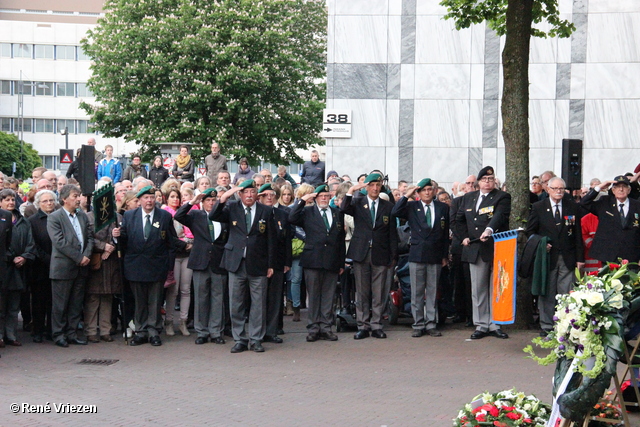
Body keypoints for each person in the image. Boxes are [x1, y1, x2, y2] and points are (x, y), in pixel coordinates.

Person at [209, 179, 276, 353]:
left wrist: (270, 264)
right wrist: (224, 197)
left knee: (258, 304)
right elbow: (213, 215)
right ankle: (239, 339)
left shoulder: (266, 211)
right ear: (240, 194)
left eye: (252, 192)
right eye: (245, 192)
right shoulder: (232, 208)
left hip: (258, 263)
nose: (249, 195)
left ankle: (256, 339)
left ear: (257, 194)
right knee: (236, 302)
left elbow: (271, 239)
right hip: (235, 262)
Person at [112, 186, 181, 347]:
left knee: (155, 301)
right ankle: (140, 331)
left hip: (157, 265)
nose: (149, 201)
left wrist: (170, 263)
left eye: (151, 198)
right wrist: (116, 236)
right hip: (135, 266)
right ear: (140, 200)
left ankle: (153, 331)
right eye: (145, 198)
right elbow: (124, 238)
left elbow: (171, 241)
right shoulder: (130, 215)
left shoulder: (163, 216)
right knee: (139, 301)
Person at [455, 166, 511, 340]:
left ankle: (495, 324)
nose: (488, 182)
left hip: (496, 247)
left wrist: (489, 230)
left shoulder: (502, 196)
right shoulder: (468, 198)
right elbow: (458, 219)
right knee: (478, 288)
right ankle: (481, 324)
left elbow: (499, 216)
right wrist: (463, 237)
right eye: (485, 179)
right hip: (474, 247)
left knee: (496, 288)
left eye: (491, 179)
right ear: (478, 182)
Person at [341, 173, 397, 340]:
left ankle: (377, 325)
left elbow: (392, 232)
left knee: (379, 292)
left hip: (380, 252)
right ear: (366, 187)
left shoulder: (387, 206)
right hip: (361, 252)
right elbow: (344, 208)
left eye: (377, 185)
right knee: (362, 292)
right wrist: (351, 190)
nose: (374, 188)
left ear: (381, 187)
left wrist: (393, 255)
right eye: (371, 185)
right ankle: (363, 325)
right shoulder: (358, 202)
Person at [526, 177, 584, 336]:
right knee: (547, 293)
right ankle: (546, 326)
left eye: (561, 188)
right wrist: (541, 243)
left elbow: (578, 234)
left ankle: (564, 325)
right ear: (547, 189)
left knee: (566, 294)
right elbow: (530, 232)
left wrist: (580, 258)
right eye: (555, 188)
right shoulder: (538, 207)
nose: (559, 191)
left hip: (568, 256)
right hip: (547, 258)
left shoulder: (572, 206)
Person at [392, 178, 449, 337]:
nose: (427, 192)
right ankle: (418, 324)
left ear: (434, 191)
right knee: (416, 291)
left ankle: (431, 323)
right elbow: (395, 212)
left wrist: (444, 255)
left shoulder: (442, 208)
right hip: (417, 254)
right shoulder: (412, 206)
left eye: (430, 189)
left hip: (435, 254)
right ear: (418, 193)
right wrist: (406, 195)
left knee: (432, 291)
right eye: (423, 190)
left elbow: (445, 234)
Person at [289, 184, 345, 342]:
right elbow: (292, 217)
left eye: (327, 195)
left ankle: (326, 327)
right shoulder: (308, 211)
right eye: (321, 195)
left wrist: (341, 262)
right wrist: (302, 200)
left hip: (332, 260)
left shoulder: (337, 213)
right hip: (313, 259)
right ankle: (313, 327)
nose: (324, 198)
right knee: (313, 295)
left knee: (328, 296)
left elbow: (340, 239)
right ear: (315, 197)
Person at [175, 188, 228, 345]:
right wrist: (192, 202)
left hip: (219, 261)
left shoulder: (223, 216)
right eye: (208, 201)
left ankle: (216, 331)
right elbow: (179, 216)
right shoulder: (196, 215)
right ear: (203, 202)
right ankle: (202, 331)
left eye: (213, 200)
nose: (211, 203)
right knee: (201, 297)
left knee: (218, 298)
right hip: (200, 261)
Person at [47, 184, 94, 347]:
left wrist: (87, 255)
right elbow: (59, 242)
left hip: (81, 267)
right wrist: (78, 257)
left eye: (79, 195)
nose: (78, 199)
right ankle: (58, 334)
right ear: (64, 199)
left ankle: (72, 333)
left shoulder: (82, 216)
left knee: (76, 303)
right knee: (60, 304)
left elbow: (89, 237)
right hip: (63, 268)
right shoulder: (55, 217)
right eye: (75, 196)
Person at [84, 196, 122, 343]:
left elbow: (123, 235)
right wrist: (102, 246)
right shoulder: (88, 217)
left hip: (111, 262)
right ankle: (91, 330)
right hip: (95, 261)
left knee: (107, 297)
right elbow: (87, 238)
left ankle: (106, 330)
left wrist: (114, 242)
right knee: (93, 298)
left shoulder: (117, 217)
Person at [257, 183, 291, 344]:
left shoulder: (282, 214)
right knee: (258, 299)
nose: (269, 197)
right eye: (266, 195)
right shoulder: (256, 213)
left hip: (277, 261)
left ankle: (271, 331)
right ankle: (258, 331)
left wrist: (287, 261)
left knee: (275, 297)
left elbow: (287, 240)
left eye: (272, 194)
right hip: (259, 261)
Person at [0, 190, 35, 347]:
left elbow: (30, 242)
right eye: (6, 199)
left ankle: (11, 334)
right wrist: (10, 256)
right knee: (2, 304)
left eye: (13, 199)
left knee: (14, 305)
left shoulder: (23, 221)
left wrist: (25, 256)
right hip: (4, 266)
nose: (11, 202)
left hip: (20, 269)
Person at [580, 175, 640, 263]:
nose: (621, 189)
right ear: (613, 190)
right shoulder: (605, 202)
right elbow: (584, 202)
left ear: (629, 190)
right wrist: (599, 187)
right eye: (618, 187)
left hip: (632, 256)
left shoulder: (637, 205)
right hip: (609, 255)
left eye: (624, 187)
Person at [162, 188, 193, 336]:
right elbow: (169, 237)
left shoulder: (184, 214)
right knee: (173, 291)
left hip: (187, 255)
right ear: (166, 199)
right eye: (172, 197)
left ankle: (183, 321)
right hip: (174, 255)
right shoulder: (164, 214)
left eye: (177, 197)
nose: (175, 200)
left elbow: (191, 231)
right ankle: (168, 322)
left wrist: (189, 243)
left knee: (186, 290)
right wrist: (184, 244)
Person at [27, 190, 57, 343]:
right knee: (39, 301)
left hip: (58, 265)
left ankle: (52, 330)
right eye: (45, 201)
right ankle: (38, 330)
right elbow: (33, 244)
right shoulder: (32, 220)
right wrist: (48, 259)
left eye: (51, 200)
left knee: (53, 301)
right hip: (40, 267)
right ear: (38, 203)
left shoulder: (59, 217)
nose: (49, 203)